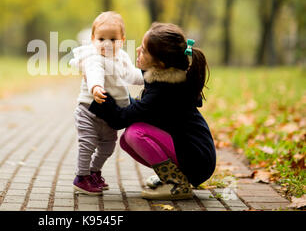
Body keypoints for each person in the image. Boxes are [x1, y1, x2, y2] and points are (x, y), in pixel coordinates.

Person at [88, 22, 216, 200]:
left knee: (134, 134)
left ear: (160, 63)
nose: (138, 50)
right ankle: (170, 176)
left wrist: (99, 99)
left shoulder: (164, 91)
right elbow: (139, 110)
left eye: (145, 50)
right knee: (126, 140)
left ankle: (177, 182)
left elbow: (121, 119)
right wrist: (118, 96)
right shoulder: (167, 83)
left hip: (197, 161)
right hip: (195, 156)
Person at [69, 11, 144, 195]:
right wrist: (96, 87)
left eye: (113, 39)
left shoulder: (122, 58)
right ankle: (81, 177)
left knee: (108, 145)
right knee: (88, 143)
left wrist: (148, 77)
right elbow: (94, 73)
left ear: (122, 40)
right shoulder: (94, 58)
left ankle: (94, 172)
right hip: (89, 111)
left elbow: (132, 75)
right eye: (101, 39)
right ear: (93, 39)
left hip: (108, 113)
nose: (107, 44)